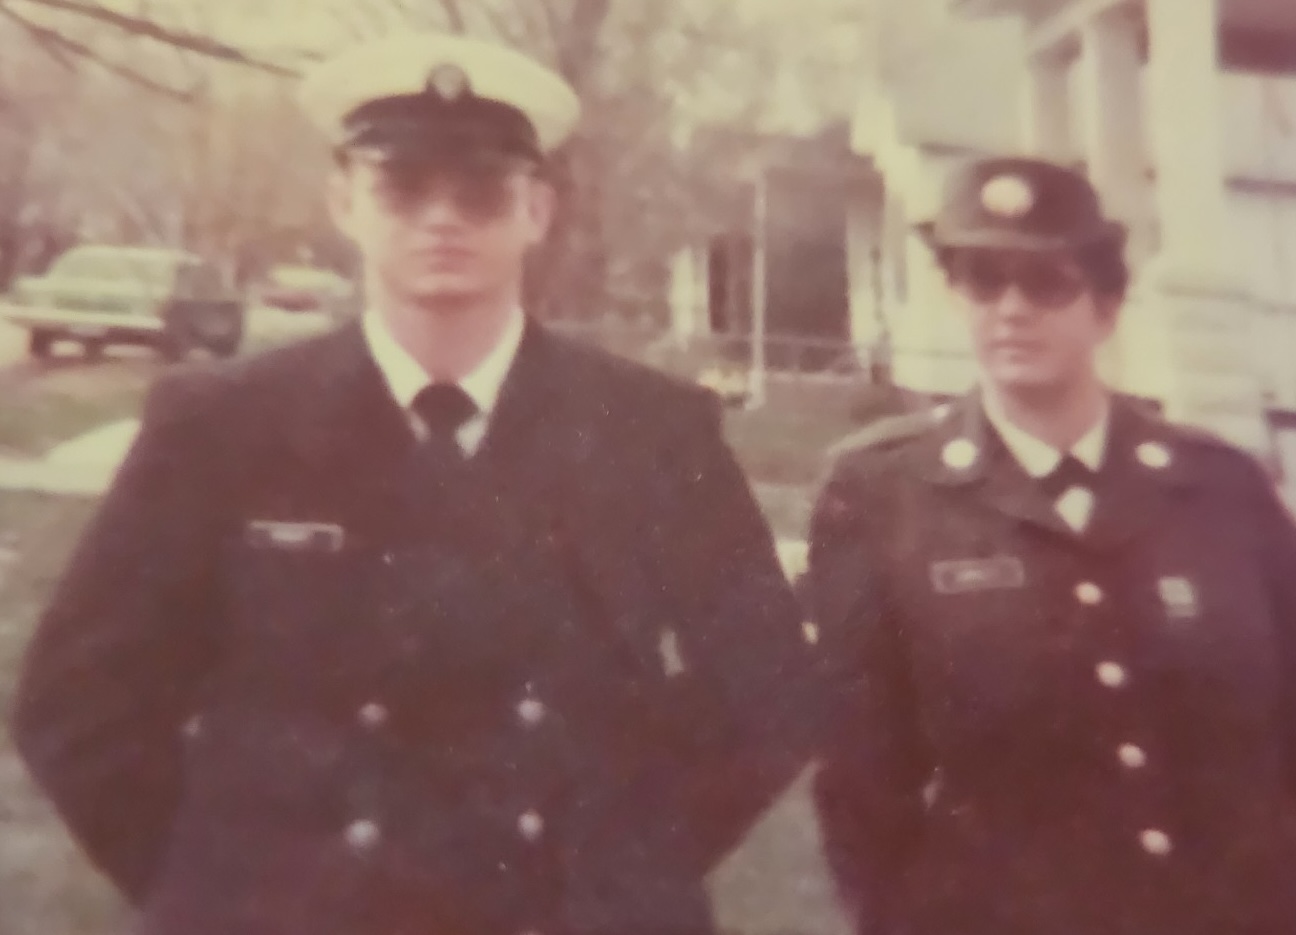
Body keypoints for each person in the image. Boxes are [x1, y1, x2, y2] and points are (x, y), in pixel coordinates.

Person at [10, 34, 822, 935]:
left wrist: (622, 868)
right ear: (344, 203)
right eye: (403, 188)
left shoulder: (651, 430)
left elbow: (770, 694)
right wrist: (223, 890)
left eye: (480, 191)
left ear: (537, 210)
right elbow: (74, 703)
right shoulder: (222, 424)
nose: (443, 217)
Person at [806, 155, 1296, 935]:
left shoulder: (1220, 487)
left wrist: (1238, 858)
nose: (1012, 309)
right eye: (985, 281)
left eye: (1047, 283)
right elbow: (860, 782)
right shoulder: (884, 494)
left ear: (1107, 307)